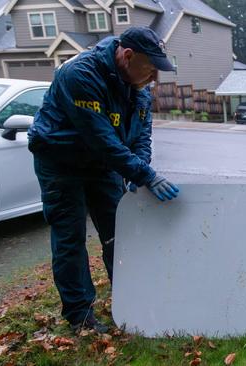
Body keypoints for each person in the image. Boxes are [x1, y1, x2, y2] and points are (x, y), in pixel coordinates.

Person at [28, 26, 180, 333]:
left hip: (102, 164)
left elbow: (141, 136)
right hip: (61, 161)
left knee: (120, 234)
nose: (154, 79)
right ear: (127, 56)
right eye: (150, 70)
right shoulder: (80, 74)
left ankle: (130, 298)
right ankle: (80, 315)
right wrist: (144, 174)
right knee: (70, 238)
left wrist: (140, 169)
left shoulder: (139, 88)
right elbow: (102, 138)